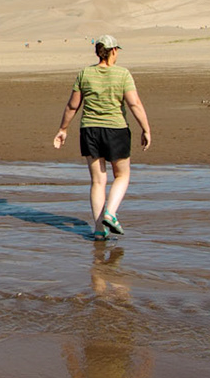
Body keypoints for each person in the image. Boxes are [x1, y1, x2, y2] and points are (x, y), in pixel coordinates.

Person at [51, 34, 153, 239]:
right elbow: (134, 104)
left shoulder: (85, 74)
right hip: (116, 129)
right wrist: (146, 129)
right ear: (113, 50)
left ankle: (99, 229)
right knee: (122, 175)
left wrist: (63, 129)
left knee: (98, 181)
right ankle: (110, 213)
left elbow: (72, 105)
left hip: (89, 130)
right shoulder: (122, 74)